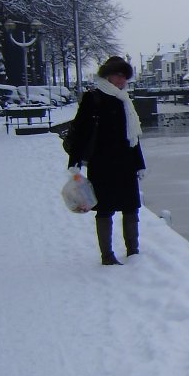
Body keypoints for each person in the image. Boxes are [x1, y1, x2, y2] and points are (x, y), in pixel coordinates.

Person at [67, 56, 145, 265]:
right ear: (107, 75)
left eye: (124, 77)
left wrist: (140, 164)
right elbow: (81, 132)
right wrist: (74, 161)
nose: (121, 81)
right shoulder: (93, 99)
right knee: (105, 209)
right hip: (102, 163)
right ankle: (107, 255)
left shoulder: (125, 100)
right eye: (117, 76)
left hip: (126, 164)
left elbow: (133, 138)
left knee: (131, 207)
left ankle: (133, 251)